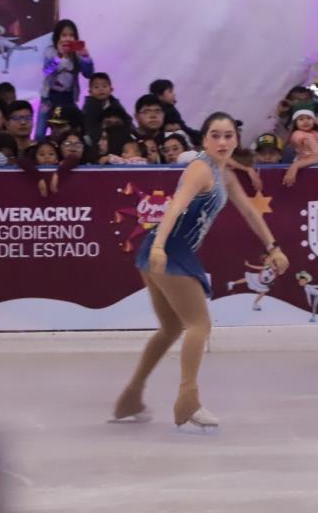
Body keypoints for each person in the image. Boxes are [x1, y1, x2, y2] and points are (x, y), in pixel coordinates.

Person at [112, 112, 290, 429]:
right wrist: (158, 247)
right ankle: (188, 401)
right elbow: (176, 204)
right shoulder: (200, 169)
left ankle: (131, 396)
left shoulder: (225, 173)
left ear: (236, 139)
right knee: (199, 325)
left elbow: (250, 212)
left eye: (228, 136)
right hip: (169, 250)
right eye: (215, 135)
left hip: (163, 249)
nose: (222, 142)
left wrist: (273, 247)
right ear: (204, 139)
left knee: (170, 329)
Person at [38, 19, 95, 140]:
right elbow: (47, 71)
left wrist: (86, 57)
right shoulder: (50, 51)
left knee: (79, 128)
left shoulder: (76, 54)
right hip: (48, 99)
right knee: (39, 133)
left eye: (71, 35)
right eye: (64, 35)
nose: (68, 38)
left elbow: (88, 74)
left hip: (68, 99)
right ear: (57, 37)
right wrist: (60, 56)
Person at [82, 72, 129, 145]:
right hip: (96, 141)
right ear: (90, 92)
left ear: (111, 89)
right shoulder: (89, 107)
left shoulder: (115, 103)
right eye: (96, 87)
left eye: (104, 86)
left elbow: (127, 120)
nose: (101, 89)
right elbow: (89, 126)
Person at [150, 78, 200, 146]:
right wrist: (199, 137)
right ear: (159, 96)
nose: (174, 94)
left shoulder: (170, 109)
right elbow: (184, 128)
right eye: (170, 91)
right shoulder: (169, 111)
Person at [282, 107, 318, 187]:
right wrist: (295, 165)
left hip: (314, 164)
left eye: (309, 118)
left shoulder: (315, 133)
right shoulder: (297, 134)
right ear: (295, 123)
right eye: (301, 119)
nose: (306, 121)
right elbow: (316, 156)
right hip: (304, 164)